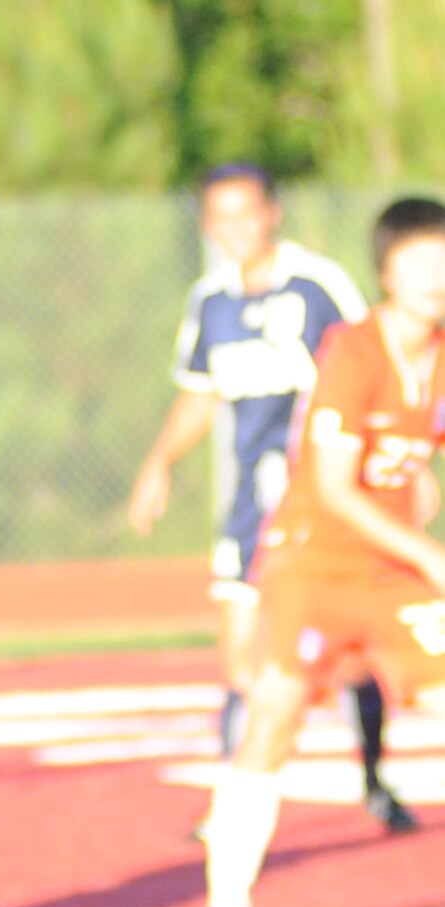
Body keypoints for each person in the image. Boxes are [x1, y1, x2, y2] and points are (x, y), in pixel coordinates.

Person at [129, 162, 416, 833]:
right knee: (237, 658)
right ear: (206, 225)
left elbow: (374, 364)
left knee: (347, 658)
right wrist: (158, 463)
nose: (234, 228)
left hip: (322, 504)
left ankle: (373, 780)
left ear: (272, 213)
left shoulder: (317, 287)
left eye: (246, 213)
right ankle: (230, 806)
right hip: (248, 505)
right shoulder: (209, 300)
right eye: (220, 217)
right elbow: (200, 391)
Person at [196, 197, 445, 907]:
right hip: (312, 563)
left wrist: (420, 498)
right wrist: (428, 553)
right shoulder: (353, 350)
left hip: (390, 571)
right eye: (420, 261)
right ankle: (226, 905)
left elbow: (413, 461)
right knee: (272, 711)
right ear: (385, 272)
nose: (436, 275)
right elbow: (335, 488)